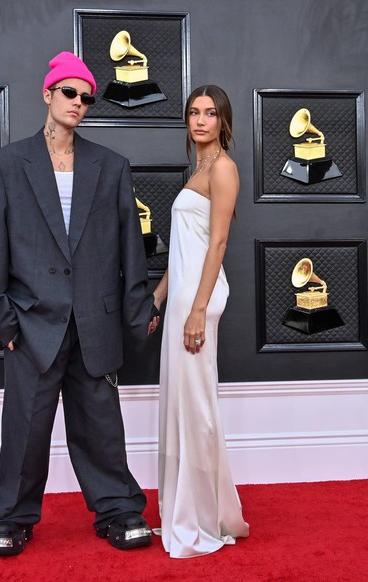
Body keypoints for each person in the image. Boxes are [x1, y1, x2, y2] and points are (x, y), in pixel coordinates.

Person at [0, 51, 159, 556]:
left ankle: (120, 510)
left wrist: (135, 313)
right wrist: (3, 321)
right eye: (69, 93)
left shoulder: (112, 166)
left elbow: (130, 250)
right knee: (25, 428)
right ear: (48, 93)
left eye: (86, 96)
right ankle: (10, 518)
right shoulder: (5, 165)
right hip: (30, 321)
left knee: (101, 425)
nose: (78, 103)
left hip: (94, 320)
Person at [152, 85, 250, 558]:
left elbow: (218, 245)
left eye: (210, 113)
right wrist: (157, 301)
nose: (201, 120)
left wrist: (195, 309)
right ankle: (183, 511)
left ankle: (201, 520)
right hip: (182, 298)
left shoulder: (224, 169)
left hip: (201, 300)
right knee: (180, 405)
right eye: (194, 112)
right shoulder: (200, 170)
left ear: (224, 120)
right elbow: (183, 251)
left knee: (197, 408)